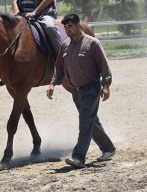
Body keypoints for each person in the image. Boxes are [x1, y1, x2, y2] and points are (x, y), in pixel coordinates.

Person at [46, 13, 116, 169]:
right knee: (91, 121)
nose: (67, 30)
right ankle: (108, 148)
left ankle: (78, 157)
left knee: (84, 122)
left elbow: (104, 66)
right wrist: (53, 84)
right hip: (75, 91)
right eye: (65, 27)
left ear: (79, 25)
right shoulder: (65, 45)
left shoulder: (93, 44)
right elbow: (58, 67)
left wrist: (106, 85)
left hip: (91, 88)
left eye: (70, 26)